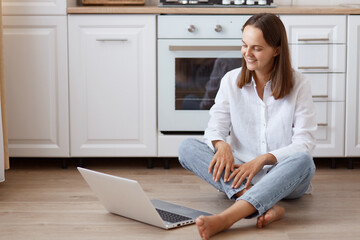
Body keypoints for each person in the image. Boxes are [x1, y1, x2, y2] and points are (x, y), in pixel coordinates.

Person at [178, 13, 317, 240]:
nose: (247, 54)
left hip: (285, 177)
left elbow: (305, 143)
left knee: (304, 161)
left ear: (277, 50)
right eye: (244, 45)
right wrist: (221, 144)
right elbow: (215, 127)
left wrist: (263, 159)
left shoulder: (299, 84)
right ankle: (261, 203)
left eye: (257, 48)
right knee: (187, 147)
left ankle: (227, 218)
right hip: (240, 175)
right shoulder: (231, 81)